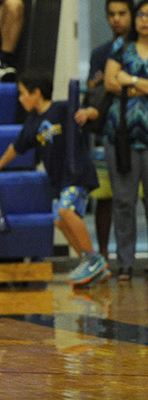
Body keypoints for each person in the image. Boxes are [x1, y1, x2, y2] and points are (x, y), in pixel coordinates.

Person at [0, 72, 108, 286]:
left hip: (76, 173)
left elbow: (92, 111)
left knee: (66, 211)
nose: (20, 99)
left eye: (24, 94)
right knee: (59, 220)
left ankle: (94, 258)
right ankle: (87, 263)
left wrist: (86, 114)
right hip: (58, 180)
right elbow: (16, 147)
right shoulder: (32, 123)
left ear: (37, 93)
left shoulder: (62, 109)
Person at [73, 0, 133, 262]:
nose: (116, 19)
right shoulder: (100, 53)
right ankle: (107, 257)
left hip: (139, 129)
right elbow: (96, 93)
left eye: (122, 13)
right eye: (111, 14)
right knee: (108, 197)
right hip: (108, 132)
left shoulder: (140, 49)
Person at [103, 0, 148, 281]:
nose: (145, 20)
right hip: (122, 137)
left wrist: (128, 79)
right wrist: (140, 82)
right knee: (123, 201)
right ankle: (126, 263)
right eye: (141, 14)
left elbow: (120, 79)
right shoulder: (122, 47)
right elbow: (109, 81)